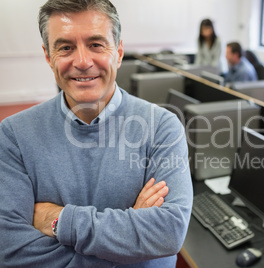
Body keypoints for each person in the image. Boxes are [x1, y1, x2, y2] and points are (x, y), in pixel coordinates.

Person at [0, 0, 193, 267]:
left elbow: (168, 233)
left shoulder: (163, 126)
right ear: (48, 56)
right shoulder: (13, 135)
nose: (82, 61)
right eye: (66, 47)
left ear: (119, 51)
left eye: (96, 45)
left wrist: (60, 221)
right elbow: (11, 251)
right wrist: (130, 237)